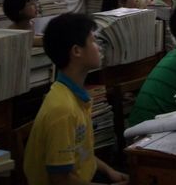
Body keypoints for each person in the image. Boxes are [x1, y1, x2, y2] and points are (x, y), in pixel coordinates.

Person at [23, 13, 128, 185]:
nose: (99, 47)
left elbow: (82, 153)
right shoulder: (63, 110)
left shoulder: (73, 95)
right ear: (76, 51)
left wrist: (109, 171)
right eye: (93, 41)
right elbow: (60, 180)